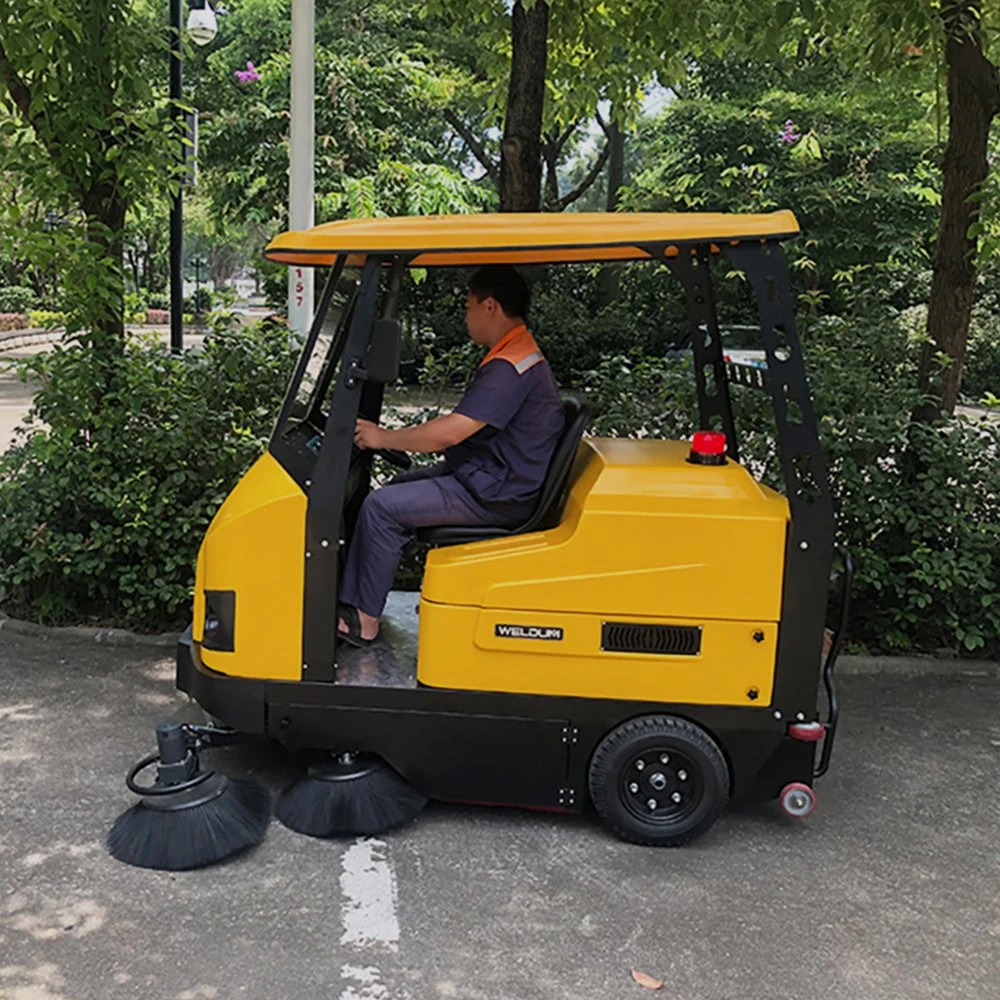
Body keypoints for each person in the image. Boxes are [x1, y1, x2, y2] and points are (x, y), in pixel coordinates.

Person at [337, 265, 565, 646]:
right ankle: (358, 599)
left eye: (468, 306)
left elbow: (450, 433)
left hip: (495, 493)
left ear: (490, 306)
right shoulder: (514, 352)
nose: (465, 316)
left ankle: (363, 619)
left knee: (382, 508)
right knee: (392, 490)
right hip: (490, 477)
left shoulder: (511, 367)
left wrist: (383, 437)